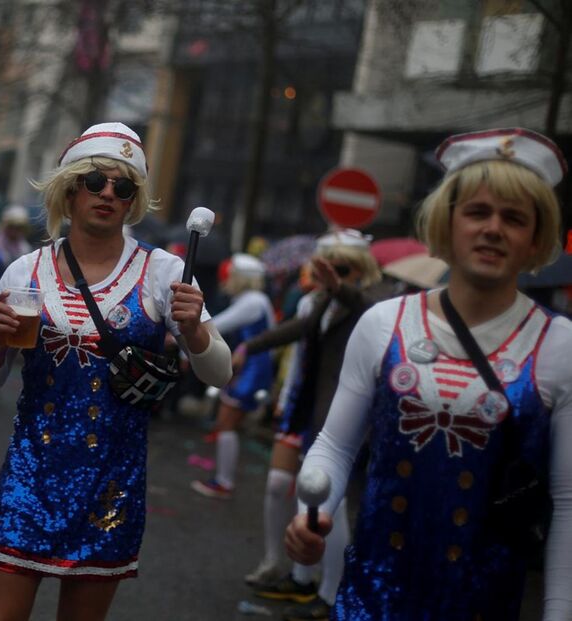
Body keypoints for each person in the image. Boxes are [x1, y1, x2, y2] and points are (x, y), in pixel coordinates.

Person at [285, 128, 572, 620]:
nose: (493, 229)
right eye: (478, 212)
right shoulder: (383, 324)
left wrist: (559, 611)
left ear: (535, 237)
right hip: (369, 602)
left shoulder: (560, 345)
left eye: (514, 218)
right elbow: (335, 446)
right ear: (449, 220)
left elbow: (567, 502)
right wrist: (311, 514)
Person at [0, 122, 232, 621]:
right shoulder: (24, 272)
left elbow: (221, 373)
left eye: (124, 185)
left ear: (133, 200)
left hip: (112, 489)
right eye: (95, 181)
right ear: (70, 190)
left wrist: (194, 330)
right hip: (29, 477)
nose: (109, 193)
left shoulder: (164, 273)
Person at [235, 230, 392, 620]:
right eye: (327, 265)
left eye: (341, 267)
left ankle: (331, 591)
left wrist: (338, 286)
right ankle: (301, 577)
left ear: (361, 269)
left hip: (346, 416)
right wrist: (247, 347)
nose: (331, 273)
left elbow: (356, 299)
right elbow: (295, 330)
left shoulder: (372, 304)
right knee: (302, 495)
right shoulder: (321, 302)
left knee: (330, 505)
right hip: (310, 408)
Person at [191, 253, 276, 499]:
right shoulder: (254, 299)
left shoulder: (253, 301)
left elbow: (219, 325)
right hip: (249, 366)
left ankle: (224, 482)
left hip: (252, 368)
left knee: (226, 422)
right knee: (226, 422)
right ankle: (222, 479)